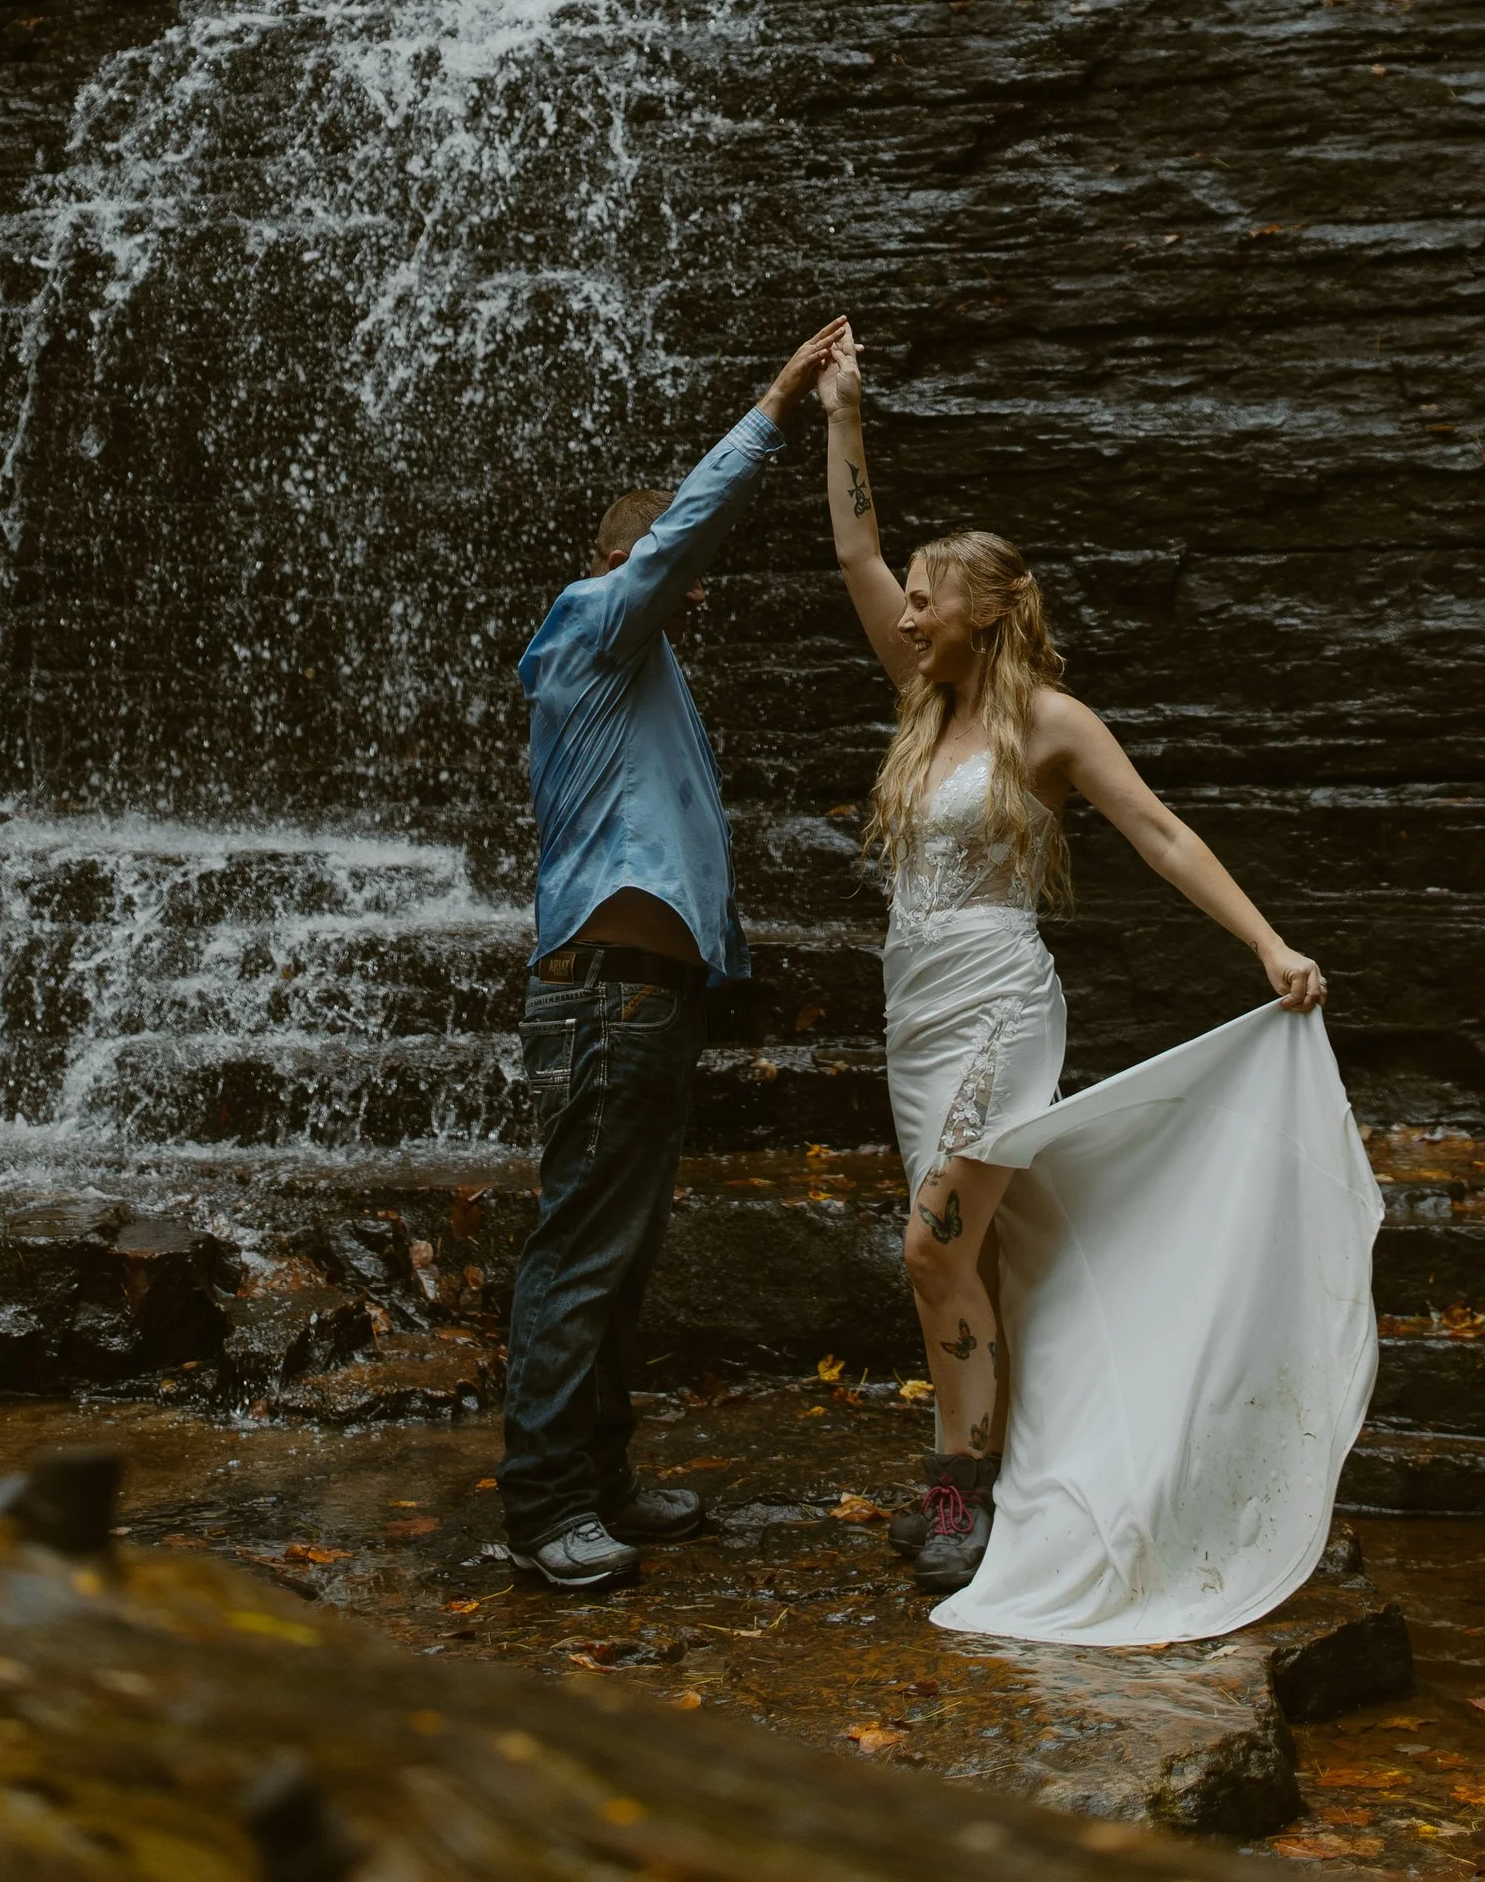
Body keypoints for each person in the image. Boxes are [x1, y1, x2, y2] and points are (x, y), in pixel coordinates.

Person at [818, 325, 1377, 1634]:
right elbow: (853, 550)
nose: (905, 608)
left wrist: (1267, 940)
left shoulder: (1050, 723)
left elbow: (1162, 831)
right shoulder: (921, 702)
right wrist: (844, 415)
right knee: (970, 1259)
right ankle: (998, 1470)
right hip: (915, 1010)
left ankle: (961, 1490)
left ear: (988, 608)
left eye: (928, 594)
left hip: (1002, 1003)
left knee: (930, 1244)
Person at [501, 317, 848, 1594]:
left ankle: (598, 1478)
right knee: (581, 1251)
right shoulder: (593, 623)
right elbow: (685, 532)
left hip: (646, 1003)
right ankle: (542, 1506)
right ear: (621, 561)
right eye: (667, 570)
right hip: (607, 1006)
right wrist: (774, 403)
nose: (689, 592)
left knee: (621, 1257)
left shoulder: (645, 678)